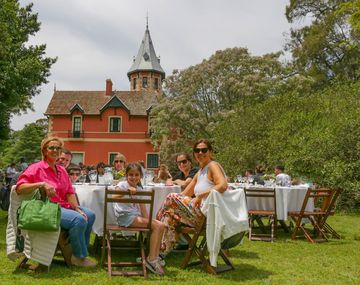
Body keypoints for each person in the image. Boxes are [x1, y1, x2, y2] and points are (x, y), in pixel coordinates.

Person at [15, 137, 97, 267]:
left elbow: (69, 192)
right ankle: (78, 257)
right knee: (79, 220)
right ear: (44, 151)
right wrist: (41, 184)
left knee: (90, 215)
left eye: (58, 148)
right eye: (51, 147)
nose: (55, 150)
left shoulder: (62, 170)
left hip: (64, 206)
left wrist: (76, 208)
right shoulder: (36, 168)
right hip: (47, 209)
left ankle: (81, 250)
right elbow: (19, 188)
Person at [157, 139, 228, 255]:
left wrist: (201, 195)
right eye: (197, 150)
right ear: (194, 154)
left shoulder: (213, 166)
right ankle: (161, 252)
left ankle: (156, 228)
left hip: (208, 216)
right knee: (169, 215)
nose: (200, 153)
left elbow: (223, 185)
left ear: (210, 152)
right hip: (198, 215)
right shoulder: (199, 173)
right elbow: (184, 194)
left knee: (171, 197)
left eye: (204, 150)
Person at [114, 163, 165, 275]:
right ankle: (151, 260)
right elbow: (114, 196)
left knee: (161, 225)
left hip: (134, 217)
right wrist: (127, 190)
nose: (133, 177)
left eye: (136, 175)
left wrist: (151, 223)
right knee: (156, 226)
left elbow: (144, 211)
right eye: (130, 175)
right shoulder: (122, 184)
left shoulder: (139, 189)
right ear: (126, 175)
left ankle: (155, 257)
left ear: (141, 176)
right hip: (124, 217)